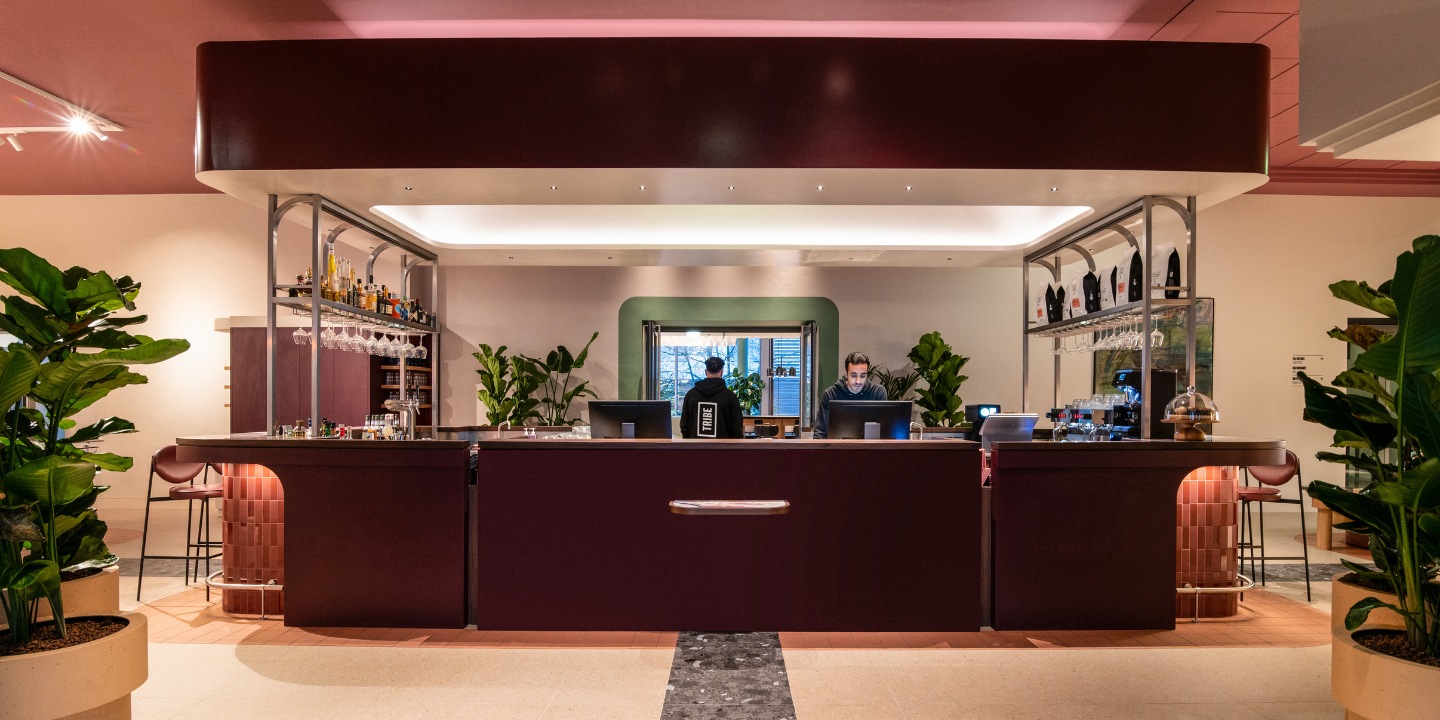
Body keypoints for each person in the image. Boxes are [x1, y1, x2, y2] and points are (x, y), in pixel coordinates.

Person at [813, 351, 888, 439]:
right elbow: (820, 433)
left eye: (863, 376)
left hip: (870, 450)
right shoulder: (830, 395)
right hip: (838, 450)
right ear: (846, 373)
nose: (858, 381)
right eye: (853, 375)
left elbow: (884, 432)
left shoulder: (878, 393)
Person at [680, 356, 744, 439]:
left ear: (706, 372)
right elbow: (737, 428)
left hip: (695, 448)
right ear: (721, 372)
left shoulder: (691, 394)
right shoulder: (730, 397)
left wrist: (688, 443)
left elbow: (684, 425)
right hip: (722, 449)